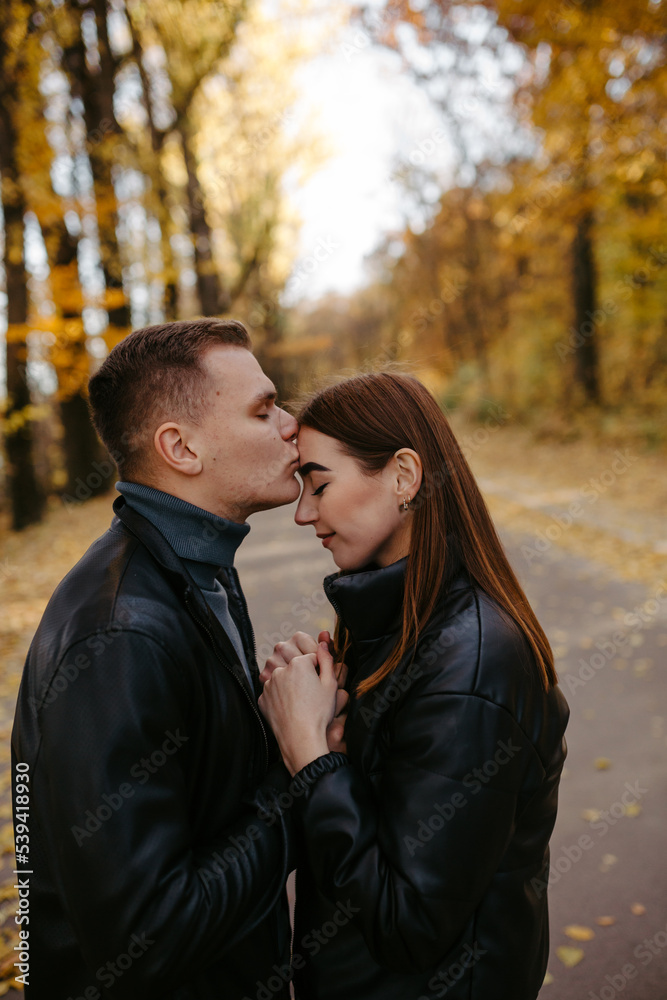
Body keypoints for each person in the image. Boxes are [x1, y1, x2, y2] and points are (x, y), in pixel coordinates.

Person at [11, 318, 317, 1000]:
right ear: (180, 448)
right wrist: (303, 777)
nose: (291, 424)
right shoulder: (119, 636)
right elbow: (146, 941)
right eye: (263, 410)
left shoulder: (196, 565)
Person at [259, 370, 571, 1000]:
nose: (302, 512)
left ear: (404, 475)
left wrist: (312, 758)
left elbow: (409, 925)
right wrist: (314, 711)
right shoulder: (389, 628)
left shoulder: (472, 666)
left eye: (318, 484)